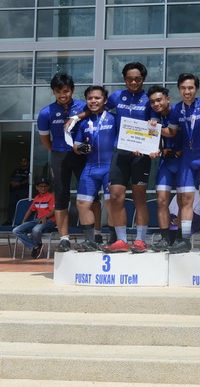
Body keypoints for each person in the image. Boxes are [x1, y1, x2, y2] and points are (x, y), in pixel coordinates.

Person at [103, 62, 154, 253]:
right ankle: (121, 240)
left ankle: (140, 240)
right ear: (124, 79)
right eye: (129, 79)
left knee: (140, 196)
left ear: (143, 79)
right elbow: (98, 109)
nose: (133, 82)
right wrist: (76, 117)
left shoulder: (149, 98)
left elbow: (155, 123)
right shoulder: (116, 96)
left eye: (137, 79)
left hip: (141, 153)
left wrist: (151, 144)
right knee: (116, 195)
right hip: (120, 151)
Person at [162, 73, 200, 253]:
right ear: (179, 89)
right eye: (183, 88)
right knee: (185, 199)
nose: (187, 91)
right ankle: (185, 239)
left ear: (197, 89)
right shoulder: (176, 109)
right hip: (186, 159)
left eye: (190, 88)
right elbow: (171, 132)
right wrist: (152, 128)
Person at [38, 73, 88, 253]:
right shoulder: (46, 112)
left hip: (81, 155)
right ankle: (64, 239)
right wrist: (56, 151)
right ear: (53, 92)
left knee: (89, 195)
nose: (62, 95)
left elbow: (93, 111)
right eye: (58, 91)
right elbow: (45, 139)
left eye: (66, 91)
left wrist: (76, 117)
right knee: (61, 196)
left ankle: (93, 236)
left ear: (72, 90)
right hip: (59, 156)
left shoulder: (82, 106)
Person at [73, 86, 117, 252]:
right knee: (82, 203)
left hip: (110, 167)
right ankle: (90, 241)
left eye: (97, 98)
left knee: (111, 203)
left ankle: (114, 239)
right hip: (90, 168)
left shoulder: (114, 118)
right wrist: (80, 148)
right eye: (90, 98)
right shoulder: (83, 122)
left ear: (105, 100)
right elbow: (75, 145)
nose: (93, 101)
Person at [147, 85, 183, 251]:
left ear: (167, 99)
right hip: (166, 163)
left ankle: (180, 237)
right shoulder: (154, 118)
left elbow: (185, 135)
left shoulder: (179, 113)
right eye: (153, 102)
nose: (156, 104)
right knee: (161, 200)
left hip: (182, 161)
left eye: (159, 100)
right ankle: (165, 238)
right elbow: (152, 141)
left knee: (183, 201)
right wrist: (156, 150)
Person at [12, 178, 55, 259]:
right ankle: (35, 246)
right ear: (37, 187)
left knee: (36, 230)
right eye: (41, 186)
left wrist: (45, 217)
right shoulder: (36, 198)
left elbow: (54, 211)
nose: (43, 188)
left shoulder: (51, 197)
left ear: (49, 187)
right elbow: (30, 210)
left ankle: (36, 247)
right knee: (16, 230)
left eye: (45, 186)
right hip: (38, 220)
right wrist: (24, 221)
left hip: (49, 220)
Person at [5, 157, 29, 226]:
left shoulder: (29, 170)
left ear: (28, 162)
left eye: (24, 161)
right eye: (22, 161)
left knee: (22, 205)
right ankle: (10, 221)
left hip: (23, 190)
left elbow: (29, 179)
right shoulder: (17, 170)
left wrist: (20, 183)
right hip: (15, 190)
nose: (23, 162)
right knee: (12, 205)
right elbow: (10, 178)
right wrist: (12, 182)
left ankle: (21, 221)